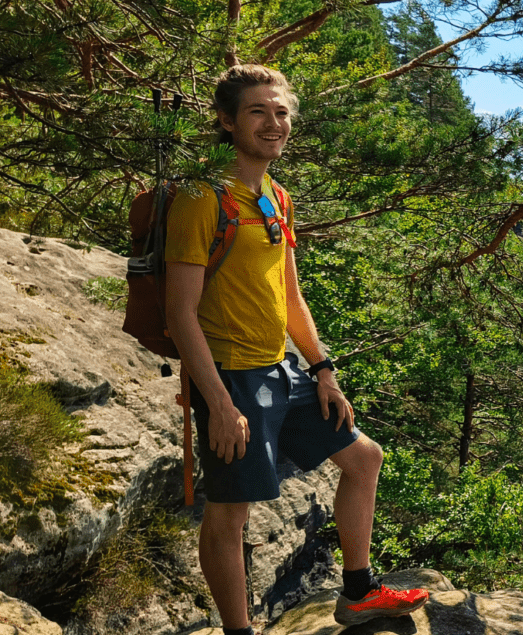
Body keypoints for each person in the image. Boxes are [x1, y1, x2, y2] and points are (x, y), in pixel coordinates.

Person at [163, 64, 428, 634]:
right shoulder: (201, 196)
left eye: (281, 112)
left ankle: (357, 593)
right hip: (230, 376)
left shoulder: (275, 196)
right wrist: (220, 403)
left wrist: (323, 368)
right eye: (258, 112)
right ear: (227, 121)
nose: (273, 123)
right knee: (230, 514)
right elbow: (179, 313)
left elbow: (290, 294)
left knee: (364, 458)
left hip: (282, 369)